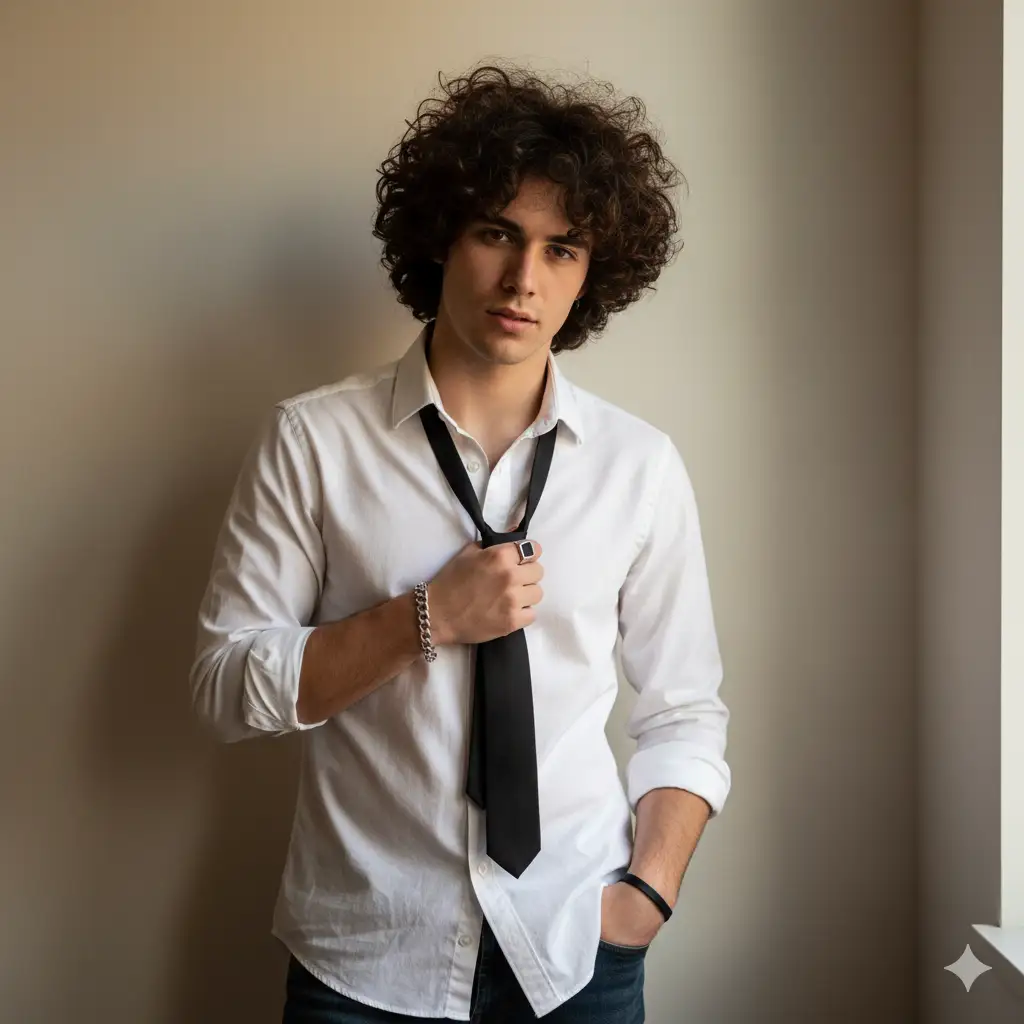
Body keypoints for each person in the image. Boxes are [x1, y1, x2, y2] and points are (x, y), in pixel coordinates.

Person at [189, 62, 731, 1023]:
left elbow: (684, 711)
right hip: (365, 961)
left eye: (562, 249)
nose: (525, 279)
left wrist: (646, 896)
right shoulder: (313, 442)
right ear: (441, 236)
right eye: (497, 233)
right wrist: (423, 619)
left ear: (592, 274)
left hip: (578, 955)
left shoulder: (638, 467)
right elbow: (226, 688)